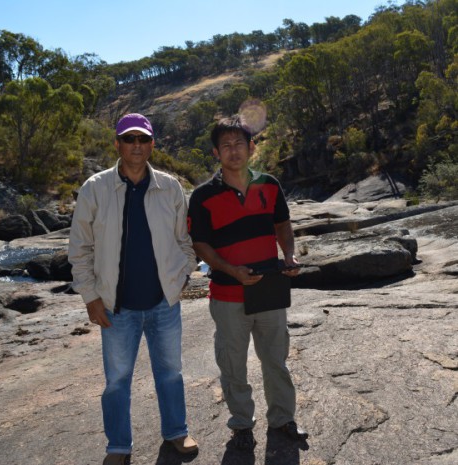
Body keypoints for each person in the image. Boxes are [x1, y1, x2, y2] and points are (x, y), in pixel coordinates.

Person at [68, 113, 199, 465]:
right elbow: (79, 248)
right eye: (129, 139)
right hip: (116, 307)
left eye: (143, 139)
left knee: (170, 372)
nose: (136, 145)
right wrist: (91, 297)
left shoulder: (170, 187)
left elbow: (184, 240)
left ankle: (176, 431)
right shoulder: (95, 188)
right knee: (116, 381)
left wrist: (182, 274)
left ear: (152, 144)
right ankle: (118, 446)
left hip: (163, 304)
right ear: (117, 144)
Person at [187, 115, 308, 450]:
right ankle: (242, 425)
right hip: (227, 294)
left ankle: (283, 420)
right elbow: (201, 245)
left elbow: (282, 224)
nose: (233, 150)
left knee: (276, 361)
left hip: (270, 288)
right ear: (216, 153)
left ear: (251, 147)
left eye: (239, 143)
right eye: (225, 145)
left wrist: (289, 256)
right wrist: (231, 269)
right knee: (232, 365)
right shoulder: (202, 197)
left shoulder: (269, 184)